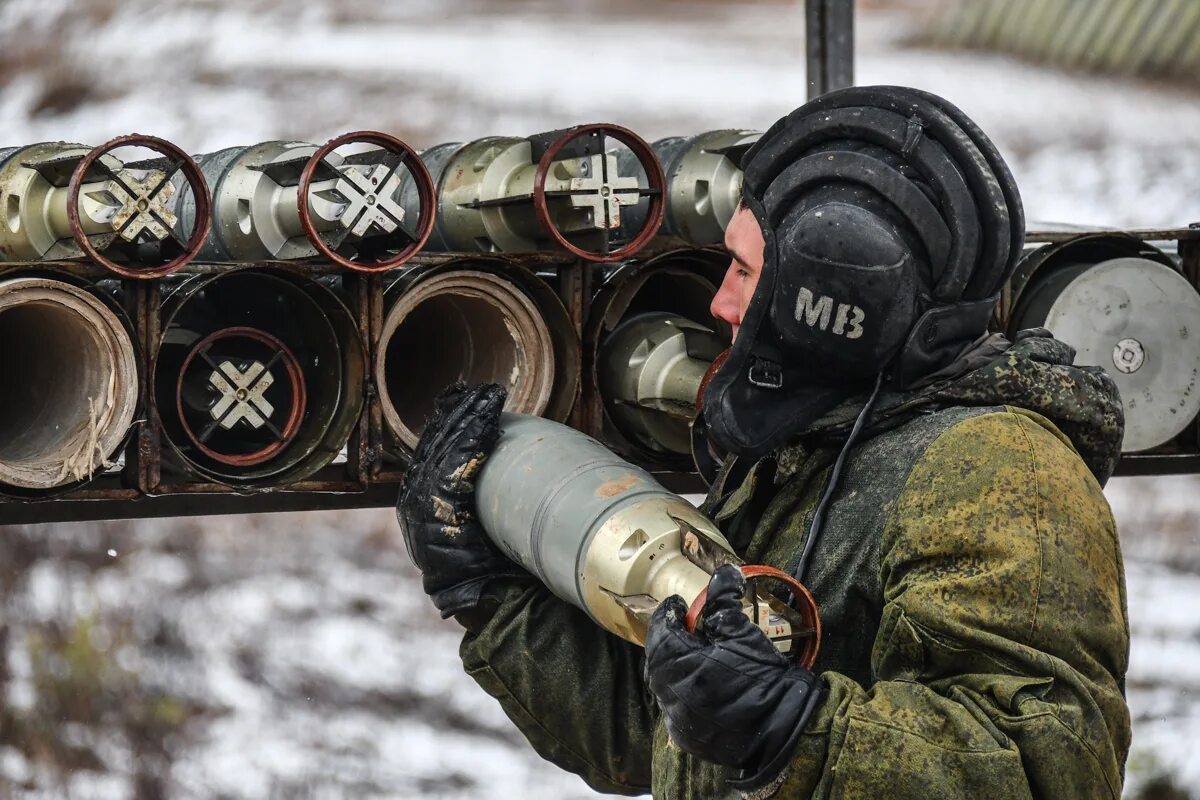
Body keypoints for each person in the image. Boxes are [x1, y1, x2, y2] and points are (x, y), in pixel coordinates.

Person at [397, 86, 1130, 799]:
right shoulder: (811, 449)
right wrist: (487, 593)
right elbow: (655, 736)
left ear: (837, 304)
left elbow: (1047, 769)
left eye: (746, 271)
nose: (719, 302)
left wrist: (790, 730)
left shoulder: (998, 472)